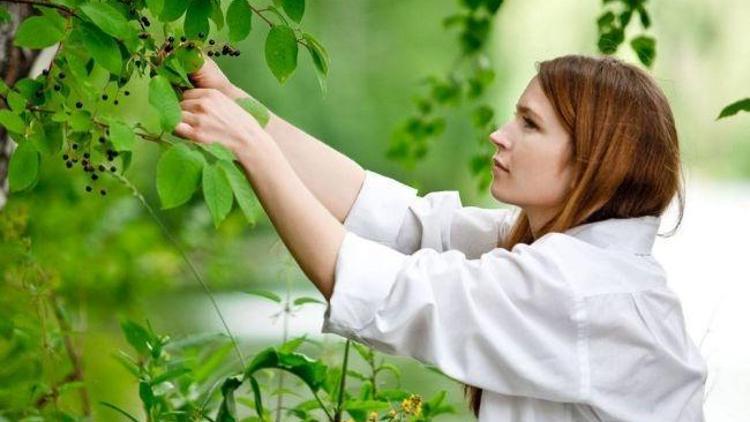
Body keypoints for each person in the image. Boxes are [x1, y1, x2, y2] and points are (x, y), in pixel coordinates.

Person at [177, 54, 707, 421]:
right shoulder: (568, 256)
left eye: (529, 124)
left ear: (594, 162)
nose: (500, 133)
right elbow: (402, 222)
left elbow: (384, 291)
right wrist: (242, 108)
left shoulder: (578, 290)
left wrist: (251, 148)